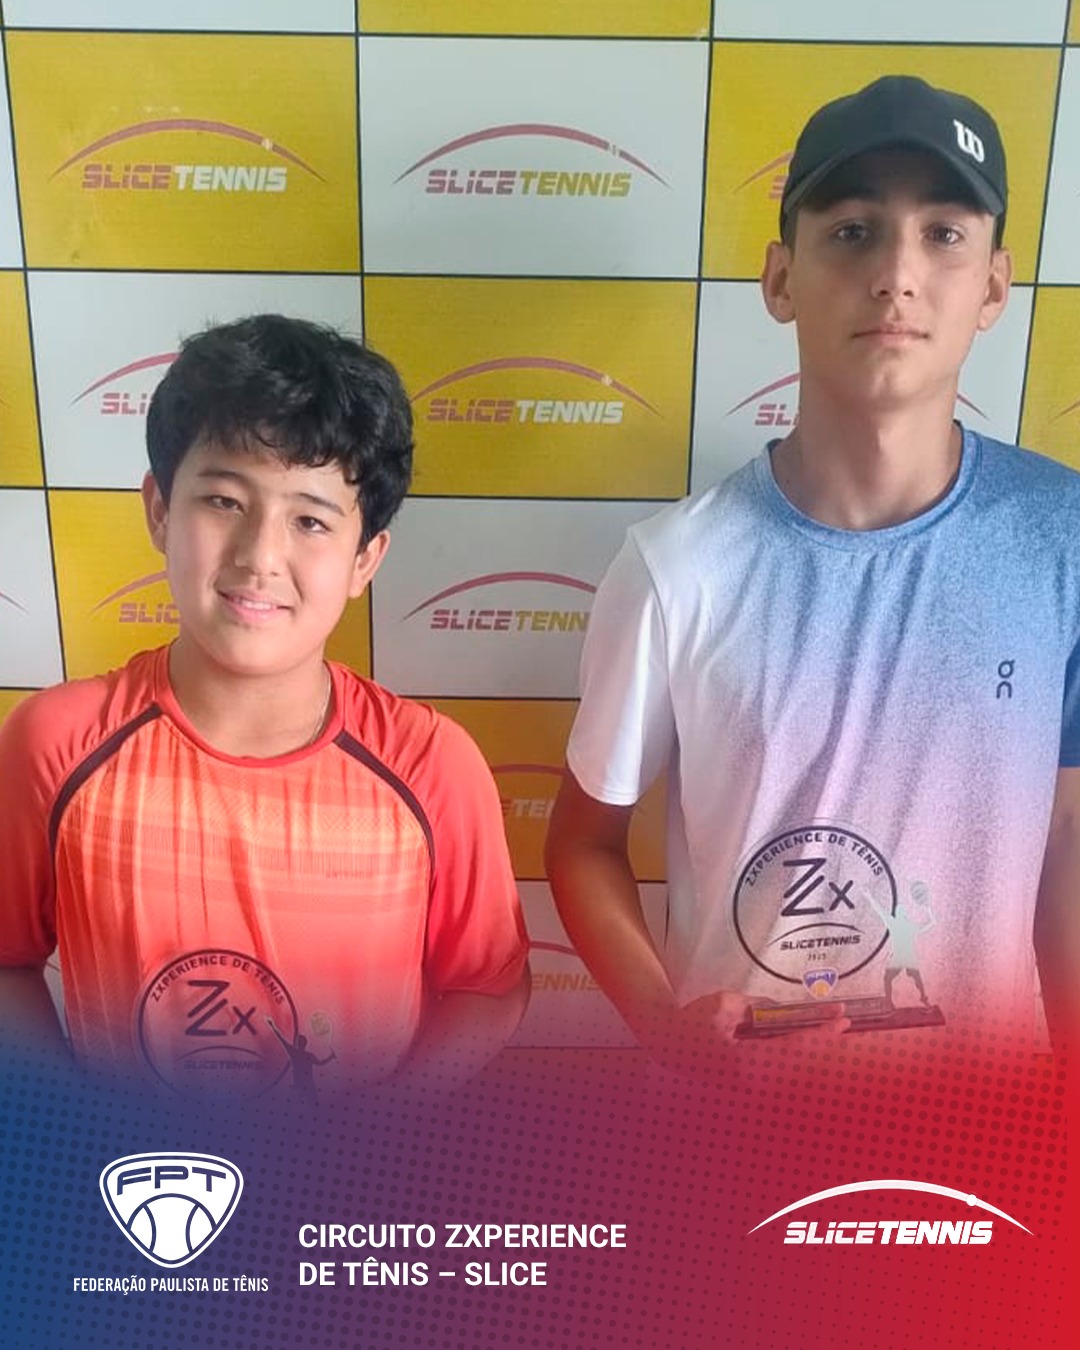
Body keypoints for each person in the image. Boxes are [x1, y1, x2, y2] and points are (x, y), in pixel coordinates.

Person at [545, 76, 1080, 1074]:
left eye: (943, 234)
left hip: (983, 1125)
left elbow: (1068, 838)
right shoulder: (677, 565)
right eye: (853, 232)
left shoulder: (1065, 541)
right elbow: (582, 843)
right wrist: (665, 1026)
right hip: (749, 1124)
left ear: (995, 285)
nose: (897, 274)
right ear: (782, 277)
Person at [0, 314, 529, 1095]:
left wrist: (384, 1132)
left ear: (365, 559)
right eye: (223, 501)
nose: (259, 557)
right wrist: (74, 1118)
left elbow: (487, 989)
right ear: (159, 510)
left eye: (310, 520)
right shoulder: (56, 744)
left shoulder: (431, 767)